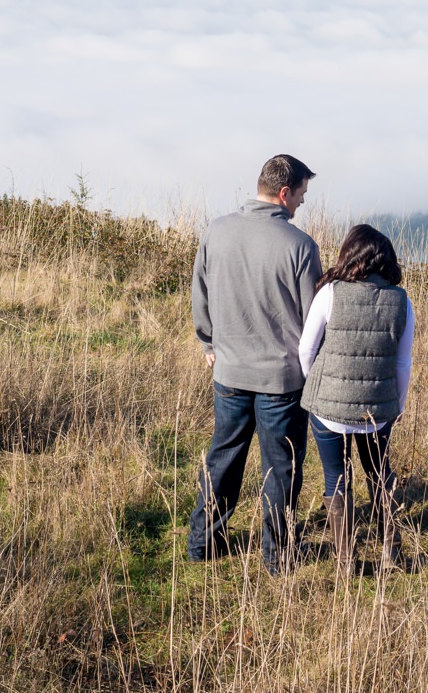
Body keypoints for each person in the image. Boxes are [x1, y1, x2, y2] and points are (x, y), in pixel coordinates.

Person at [188, 154, 321, 575]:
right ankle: (278, 556)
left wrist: (208, 340)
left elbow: (201, 290)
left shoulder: (217, 230)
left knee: (223, 457)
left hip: (228, 371)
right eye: (301, 194)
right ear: (284, 193)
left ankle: (203, 543)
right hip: (281, 382)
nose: (302, 202)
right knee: (280, 467)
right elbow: (311, 319)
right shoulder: (300, 246)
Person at [298, 223, 415, 572]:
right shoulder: (401, 301)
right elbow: (402, 361)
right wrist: (397, 404)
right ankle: (391, 554)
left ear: (351, 255)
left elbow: (306, 349)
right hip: (378, 409)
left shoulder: (330, 293)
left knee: (337, 477)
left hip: (327, 408)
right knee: (379, 474)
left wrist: (316, 387)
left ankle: (346, 561)